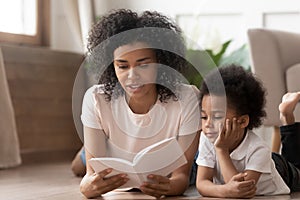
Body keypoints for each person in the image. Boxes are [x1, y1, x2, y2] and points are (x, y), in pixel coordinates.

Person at [75, 9, 201, 199]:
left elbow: (181, 177)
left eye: (143, 64)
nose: (132, 76)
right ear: (112, 65)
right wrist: (87, 186)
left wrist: (171, 186)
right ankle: (87, 149)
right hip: (117, 156)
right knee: (77, 166)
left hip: (168, 170)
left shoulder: (187, 96)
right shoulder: (96, 98)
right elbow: (90, 177)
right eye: (123, 66)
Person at [195, 64, 300, 198]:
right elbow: (202, 182)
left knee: (296, 167)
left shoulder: (259, 149)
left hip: (281, 171)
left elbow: (242, 192)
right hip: (259, 163)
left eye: (216, 117)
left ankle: (286, 117)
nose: (208, 124)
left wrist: (222, 150)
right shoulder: (208, 137)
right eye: (204, 117)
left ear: (243, 121)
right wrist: (224, 191)